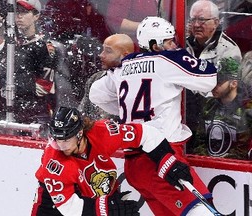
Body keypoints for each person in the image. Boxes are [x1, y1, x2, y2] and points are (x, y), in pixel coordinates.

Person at [89, 16, 218, 215]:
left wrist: (125, 110)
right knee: (201, 211)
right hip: (161, 158)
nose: (174, 44)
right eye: (169, 41)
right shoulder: (166, 59)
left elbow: (95, 94)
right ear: (155, 46)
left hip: (134, 165)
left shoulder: (122, 68)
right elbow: (209, 80)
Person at [31, 106, 195, 216]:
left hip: (95, 195)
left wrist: (166, 160)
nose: (60, 145)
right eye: (56, 140)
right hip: (53, 207)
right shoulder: (54, 163)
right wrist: (107, 209)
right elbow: (69, 208)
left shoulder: (103, 133)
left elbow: (146, 134)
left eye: (65, 140)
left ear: (80, 134)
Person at [185, 0, 243, 146]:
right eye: (193, 20)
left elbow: (223, 89)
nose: (196, 25)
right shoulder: (181, 43)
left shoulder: (229, 51)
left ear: (216, 22)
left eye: (202, 20)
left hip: (211, 118)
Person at [13, 0, 75, 126]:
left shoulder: (46, 47)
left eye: (24, 12)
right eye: (17, 12)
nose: (19, 16)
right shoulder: (12, 44)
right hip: (14, 111)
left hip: (36, 116)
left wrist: (11, 85)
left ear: (36, 16)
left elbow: (42, 88)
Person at [193, 57, 252, 160]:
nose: (214, 85)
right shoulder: (208, 104)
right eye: (213, 80)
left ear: (234, 83)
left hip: (234, 170)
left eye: (219, 82)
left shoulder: (247, 110)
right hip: (205, 166)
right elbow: (199, 140)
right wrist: (206, 161)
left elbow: (243, 149)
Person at [78, 33, 134, 120]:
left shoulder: (136, 82)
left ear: (125, 56)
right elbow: (82, 116)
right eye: (103, 50)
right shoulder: (96, 78)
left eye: (108, 51)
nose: (101, 55)